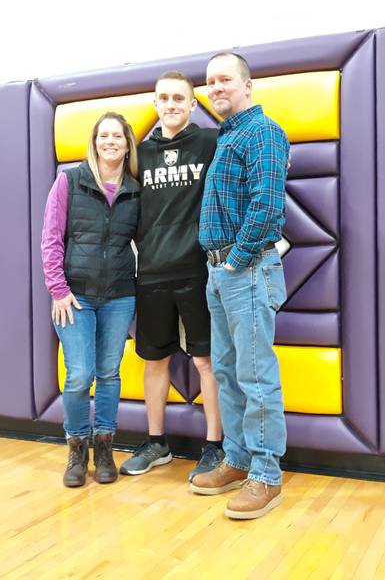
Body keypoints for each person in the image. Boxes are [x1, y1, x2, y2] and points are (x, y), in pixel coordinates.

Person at [190, 52, 290, 520]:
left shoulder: (263, 133)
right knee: (227, 372)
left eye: (225, 79)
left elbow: (266, 205)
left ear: (248, 86)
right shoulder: (228, 136)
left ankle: (267, 475)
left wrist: (233, 261)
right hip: (221, 272)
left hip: (244, 270)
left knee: (254, 376)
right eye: (210, 82)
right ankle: (238, 458)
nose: (216, 88)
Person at [119, 71, 224, 480]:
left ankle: (214, 445)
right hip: (151, 272)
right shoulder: (139, 155)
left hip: (198, 270)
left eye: (180, 98)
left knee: (206, 360)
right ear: (155, 103)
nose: (172, 104)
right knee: (153, 358)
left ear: (193, 104)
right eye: (165, 98)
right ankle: (156, 442)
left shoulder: (209, 143)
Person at [41, 111, 140, 488]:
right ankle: (77, 447)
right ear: (94, 142)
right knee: (80, 375)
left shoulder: (134, 190)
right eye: (104, 136)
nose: (110, 142)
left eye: (118, 136)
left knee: (110, 374)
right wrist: (58, 290)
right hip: (74, 298)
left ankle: (105, 447)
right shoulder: (69, 181)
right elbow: (51, 239)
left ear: (127, 143)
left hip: (119, 296)